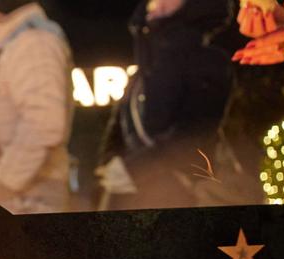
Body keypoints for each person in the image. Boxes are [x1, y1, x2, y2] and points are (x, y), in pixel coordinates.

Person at [98, 0, 234, 210]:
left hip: (176, 195)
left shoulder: (208, 62)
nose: (156, 3)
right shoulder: (140, 75)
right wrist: (111, 163)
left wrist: (135, 167)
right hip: (129, 195)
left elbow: (193, 135)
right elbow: (118, 132)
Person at [0, 0, 73, 214]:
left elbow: (44, 123)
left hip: (24, 202)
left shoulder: (34, 42)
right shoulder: (7, 40)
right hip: (5, 200)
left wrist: (4, 186)